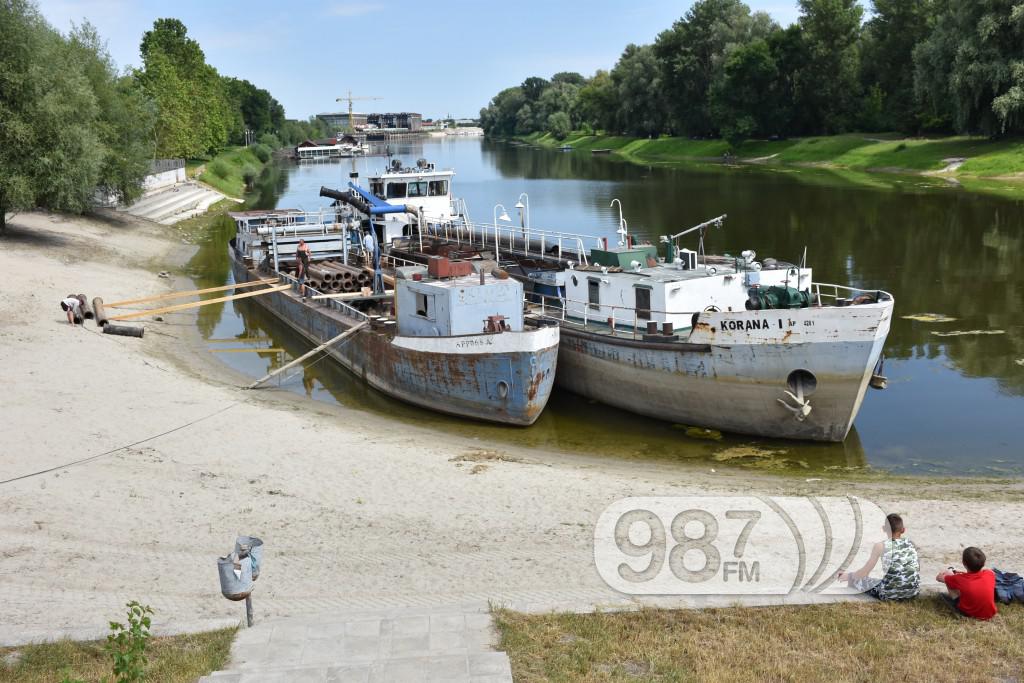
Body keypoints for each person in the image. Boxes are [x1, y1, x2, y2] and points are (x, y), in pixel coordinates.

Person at [836, 513, 920, 601]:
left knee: (856, 581)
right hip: (913, 594)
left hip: (890, 595)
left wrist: (849, 576)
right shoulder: (911, 544)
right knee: (879, 580)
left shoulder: (880, 546)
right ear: (903, 530)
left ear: (884, 529)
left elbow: (864, 573)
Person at [937, 547, 997, 620]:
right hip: (989, 613)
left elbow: (939, 578)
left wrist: (948, 571)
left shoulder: (959, 579)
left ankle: (956, 606)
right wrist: (961, 572)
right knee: (968, 587)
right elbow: (975, 577)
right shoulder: (990, 574)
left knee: (949, 580)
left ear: (964, 563)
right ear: (983, 563)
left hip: (969, 614)